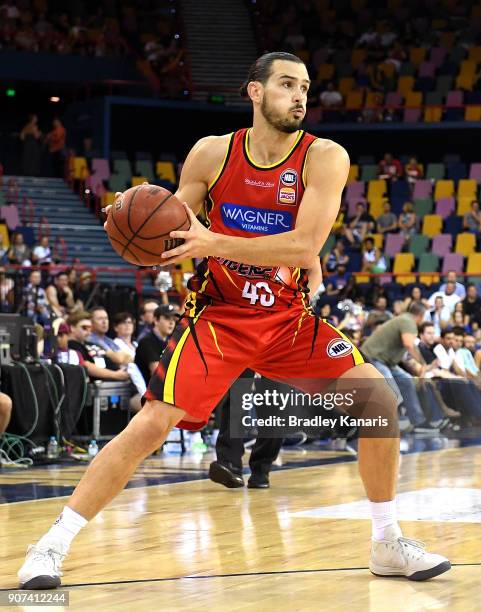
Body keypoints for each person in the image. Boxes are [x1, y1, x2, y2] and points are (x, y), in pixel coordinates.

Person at [18, 51, 450, 590]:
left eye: (305, 87)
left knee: (378, 399)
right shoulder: (212, 154)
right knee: (150, 425)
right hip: (219, 317)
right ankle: (49, 546)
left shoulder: (325, 158)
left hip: (287, 319)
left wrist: (215, 240)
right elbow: (172, 232)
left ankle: (386, 542)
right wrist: (130, 221)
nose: (299, 96)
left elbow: (304, 245)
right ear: (254, 92)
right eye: (287, 85)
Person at [361, 301, 441, 431]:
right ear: (421, 315)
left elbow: (410, 350)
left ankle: (417, 422)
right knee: (391, 391)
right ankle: (384, 424)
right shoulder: (408, 321)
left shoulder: (404, 320)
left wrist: (422, 367)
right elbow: (409, 345)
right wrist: (423, 364)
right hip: (373, 359)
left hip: (386, 361)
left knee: (407, 383)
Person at [65, 311, 130, 383]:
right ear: (72, 328)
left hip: (115, 382)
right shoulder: (72, 345)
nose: (88, 331)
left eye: (90, 328)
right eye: (84, 327)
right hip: (100, 387)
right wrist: (115, 375)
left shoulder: (90, 344)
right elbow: (86, 366)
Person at [135, 305, 178, 386]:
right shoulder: (146, 341)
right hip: (146, 391)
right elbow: (158, 372)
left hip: (163, 389)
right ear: (155, 320)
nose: (171, 322)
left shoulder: (171, 342)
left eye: (173, 319)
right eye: (167, 318)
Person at [112, 312, 147, 399]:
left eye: (130, 322)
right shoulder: (114, 344)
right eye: (124, 323)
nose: (127, 325)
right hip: (130, 383)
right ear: (116, 327)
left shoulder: (136, 344)